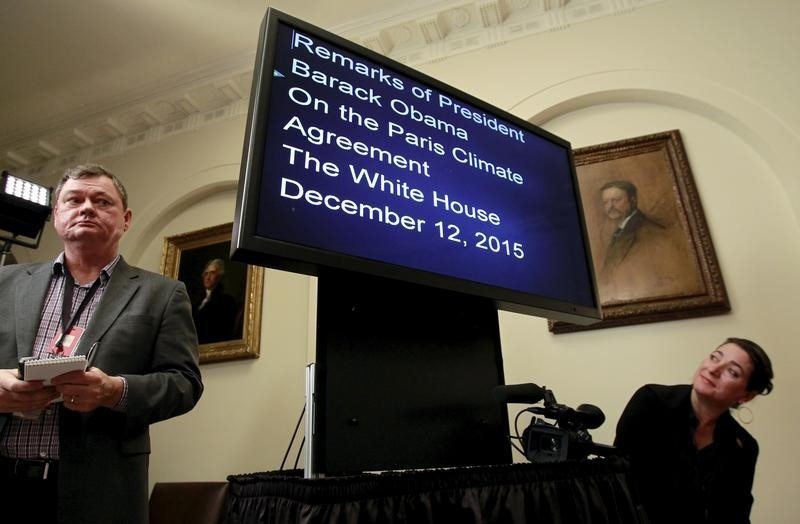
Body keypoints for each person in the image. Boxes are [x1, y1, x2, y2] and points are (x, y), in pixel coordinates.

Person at [0, 164, 203, 523]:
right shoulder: (5, 282)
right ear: (56, 215)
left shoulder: (164, 294)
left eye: (101, 201)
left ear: (125, 219)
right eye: (74, 200)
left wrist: (114, 391)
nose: (87, 207)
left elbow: (184, 384)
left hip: (100, 492)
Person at [614, 338, 774, 523]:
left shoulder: (743, 446)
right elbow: (618, 483)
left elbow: (735, 514)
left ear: (746, 396)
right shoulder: (651, 402)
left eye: (732, 371)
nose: (713, 369)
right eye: (715, 357)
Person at [595, 180, 703, 302]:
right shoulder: (619, 231)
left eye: (616, 200)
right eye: (606, 202)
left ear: (633, 200)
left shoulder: (650, 231)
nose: (610, 206)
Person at [192, 258, 240, 344]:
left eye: (212, 273)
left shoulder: (227, 301)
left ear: (220, 276)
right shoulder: (197, 301)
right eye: (206, 273)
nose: (208, 277)